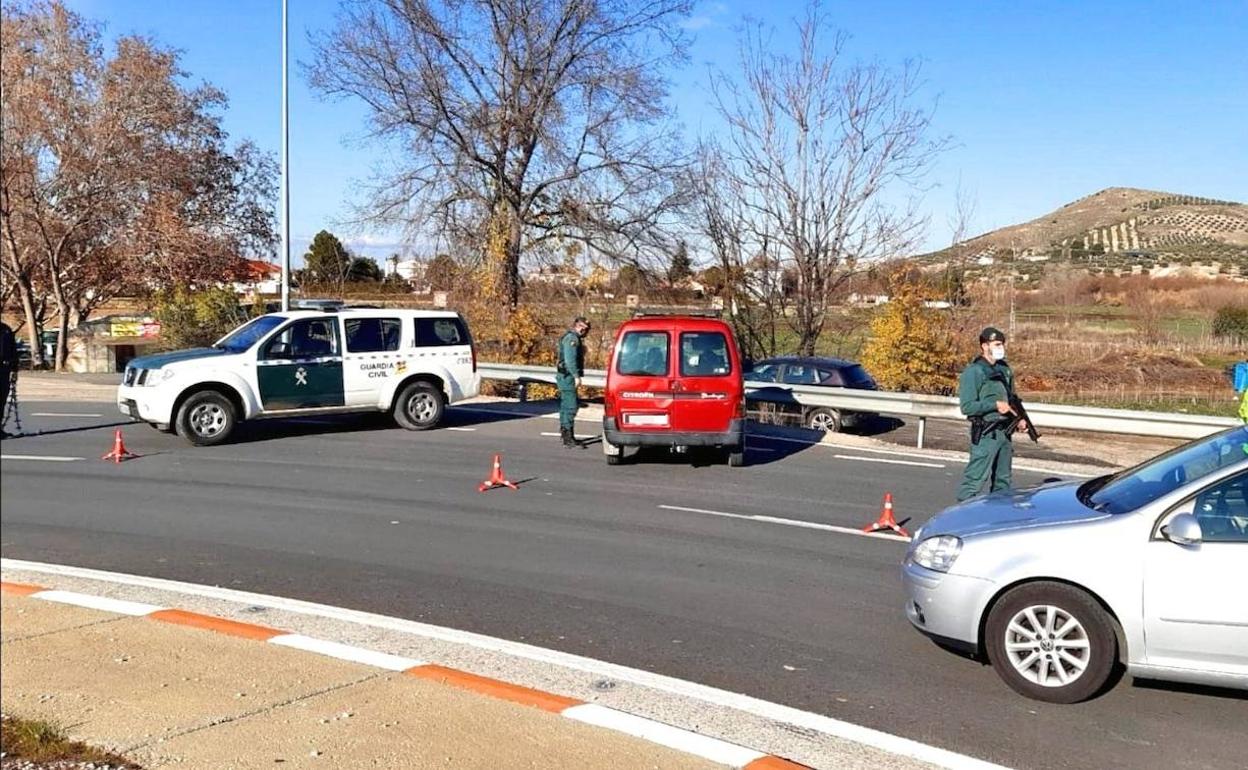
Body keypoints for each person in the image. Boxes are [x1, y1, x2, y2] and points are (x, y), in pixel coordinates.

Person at [956, 327, 1027, 501]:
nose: (1000, 347)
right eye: (996, 344)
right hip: (986, 432)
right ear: (984, 345)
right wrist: (994, 405)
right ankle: (962, 517)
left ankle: (996, 518)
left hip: (1005, 431)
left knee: (1003, 481)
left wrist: (1019, 418)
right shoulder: (974, 371)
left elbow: (1012, 399)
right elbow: (967, 407)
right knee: (975, 480)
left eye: (1002, 344)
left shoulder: (1005, 370)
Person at [556, 316, 591, 448]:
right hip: (568, 377)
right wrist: (576, 376)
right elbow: (570, 360)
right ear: (581, 328)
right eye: (586, 329)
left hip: (565, 376)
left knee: (566, 406)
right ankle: (568, 438)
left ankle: (566, 434)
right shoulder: (572, 339)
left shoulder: (573, 338)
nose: (587, 332)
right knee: (570, 406)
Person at [0, 321, 16, 438]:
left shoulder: (6, 329)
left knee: (1, 401)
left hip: (4, 370)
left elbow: (13, 351)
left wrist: (14, 369)